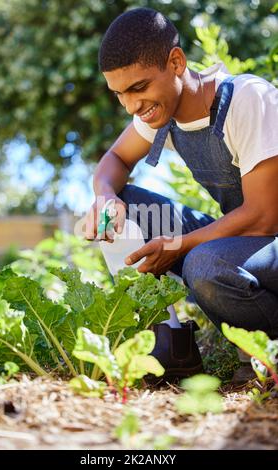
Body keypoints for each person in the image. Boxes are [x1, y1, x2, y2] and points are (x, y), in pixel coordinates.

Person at [85, 7, 278, 383]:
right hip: (247, 244)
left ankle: (265, 352)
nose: (131, 106)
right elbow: (115, 159)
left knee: (203, 265)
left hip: (270, 243)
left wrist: (181, 245)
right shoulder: (159, 112)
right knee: (130, 205)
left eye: (139, 88)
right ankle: (172, 343)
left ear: (175, 61)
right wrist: (105, 196)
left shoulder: (246, 99)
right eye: (120, 94)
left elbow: (265, 215)